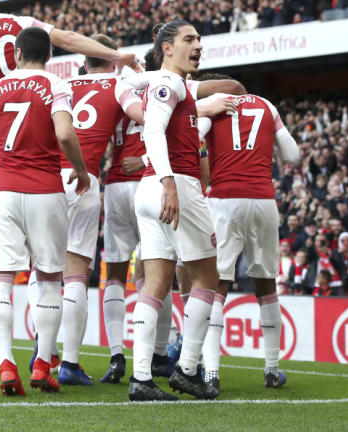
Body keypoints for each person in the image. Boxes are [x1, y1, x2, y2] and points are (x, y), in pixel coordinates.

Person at [0, 0, 142, 333]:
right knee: (28, 212)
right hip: (25, 121)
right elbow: (70, 39)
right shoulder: (20, 22)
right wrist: (118, 56)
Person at [0, 26, 90, 395]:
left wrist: (4, 154)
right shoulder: (56, 85)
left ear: (16, 54)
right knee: (50, 279)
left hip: (1, 192)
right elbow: (66, 135)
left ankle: (6, 366)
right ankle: (42, 364)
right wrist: (80, 170)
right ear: (48, 56)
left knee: (0, 280)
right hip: (45, 190)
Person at [42, 33, 145, 386]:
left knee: (43, 271)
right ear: (111, 59)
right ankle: (69, 362)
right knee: (75, 275)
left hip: (45, 180)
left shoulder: (62, 84)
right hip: (82, 178)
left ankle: (44, 353)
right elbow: (139, 114)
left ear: (85, 60)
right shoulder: (118, 84)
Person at [128, 19, 219, 401]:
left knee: (156, 284)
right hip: (173, 185)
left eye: (199, 39)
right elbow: (151, 129)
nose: (197, 45)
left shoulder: (163, 83)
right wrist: (169, 184)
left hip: (149, 189)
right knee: (207, 277)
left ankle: (142, 379)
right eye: (188, 39)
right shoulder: (171, 82)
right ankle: (187, 369)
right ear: (167, 47)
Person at [196, 86, 300, 396]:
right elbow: (293, 154)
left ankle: (212, 372)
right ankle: (271, 369)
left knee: (218, 286)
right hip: (264, 201)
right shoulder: (267, 104)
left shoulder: (214, 103)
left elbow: (193, 139)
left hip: (225, 200)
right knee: (266, 284)